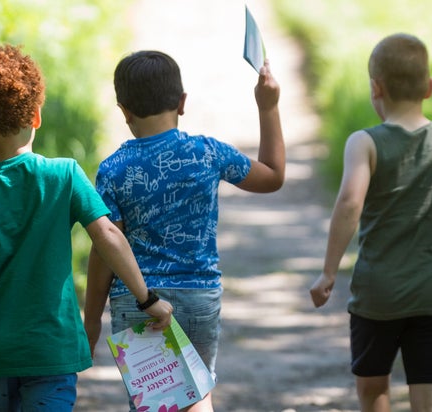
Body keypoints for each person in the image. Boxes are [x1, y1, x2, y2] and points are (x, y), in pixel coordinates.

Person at [0, 44, 173, 412]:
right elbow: (109, 235)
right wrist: (147, 298)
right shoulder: (64, 175)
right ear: (35, 116)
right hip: (50, 345)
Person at [309, 33, 432, 412]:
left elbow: (350, 203)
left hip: (376, 295)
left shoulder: (364, 143)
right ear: (429, 87)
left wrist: (328, 272)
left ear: (375, 88)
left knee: (373, 391)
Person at [84, 50, 284, 411]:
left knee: (158, 403)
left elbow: (104, 248)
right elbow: (272, 175)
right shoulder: (207, 153)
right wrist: (268, 107)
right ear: (182, 103)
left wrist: (91, 319)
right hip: (199, 296)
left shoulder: (113, 170)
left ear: (124, 111)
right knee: (196, 396)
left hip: (138, 299)